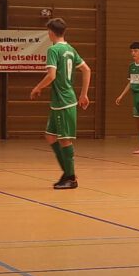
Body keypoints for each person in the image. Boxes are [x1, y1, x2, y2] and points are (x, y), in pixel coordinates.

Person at [28, 18, 90, 190]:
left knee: (64, 140)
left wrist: (37, 88)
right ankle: (67, 172)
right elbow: (87, 69)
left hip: (64, 101)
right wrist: (83, 94)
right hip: (60, 102)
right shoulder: (70, 49)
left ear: (50, 32)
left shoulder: (53, 49)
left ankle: (71, 178)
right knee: (50, 136)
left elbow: (51, 75)